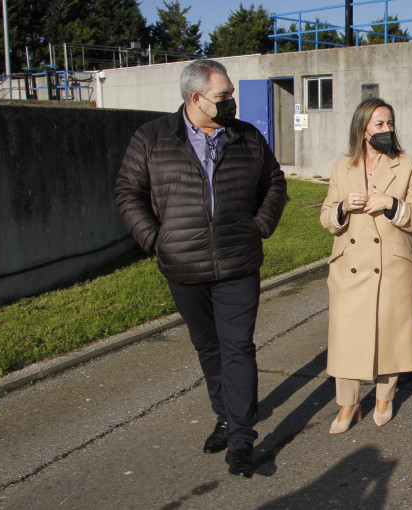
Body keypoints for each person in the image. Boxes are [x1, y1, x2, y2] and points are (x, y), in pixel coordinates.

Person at [114, 59, 287, 479]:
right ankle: (225, 418)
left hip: (237, 262)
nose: (232, 102)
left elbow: (275, 182)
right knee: (208, 348)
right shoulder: (152, 138)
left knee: (238, 347)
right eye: (223, 96)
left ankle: (242, 439)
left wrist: (260, 225)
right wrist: (156, 240)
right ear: (196, 98)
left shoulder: (247, 137)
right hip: (183, 264)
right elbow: (127, 191)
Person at [319, 98, 412, 434]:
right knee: (347, 336)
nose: (386, 129)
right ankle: (348, 404)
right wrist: (342, 207)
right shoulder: (343, 167)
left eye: (390, 123)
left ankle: (385, 396)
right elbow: (326, 217)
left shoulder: (407, 164)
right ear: (363, 128)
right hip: (350, 264)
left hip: (392, 264)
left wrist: (391, 204)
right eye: (379, 124)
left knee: (391, 335)